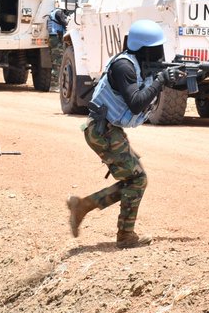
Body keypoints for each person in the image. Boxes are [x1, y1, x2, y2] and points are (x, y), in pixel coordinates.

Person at [66, 19, 181, 249]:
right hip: (102, 130)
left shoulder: (138, 63)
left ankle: (84, 206)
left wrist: (193, 76)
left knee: (133, 179)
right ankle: (125, 236)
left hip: (108, 129)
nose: (159, 53)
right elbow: (137, 102)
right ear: (143, 48)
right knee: (137, 179)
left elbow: (164, 85)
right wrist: (160, 81)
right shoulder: (124, 67)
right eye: (155, 48)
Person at [46, 6, 69, 93]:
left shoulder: (53, 12)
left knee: (56, 63)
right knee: (58, 63)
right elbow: (65, 23)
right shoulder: (59, 13)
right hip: (57, 39)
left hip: (54, 38)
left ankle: (55, 85)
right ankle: (54, 86)